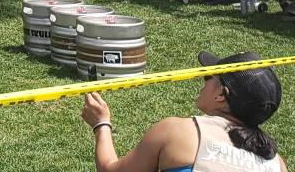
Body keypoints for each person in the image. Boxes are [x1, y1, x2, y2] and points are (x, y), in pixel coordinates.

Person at [81, 51, 286, 172]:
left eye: (209, 76)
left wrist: (101, 124)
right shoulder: (277, 163)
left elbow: (109, 170)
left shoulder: (176, 132)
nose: (203, 81)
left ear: (221, 95)